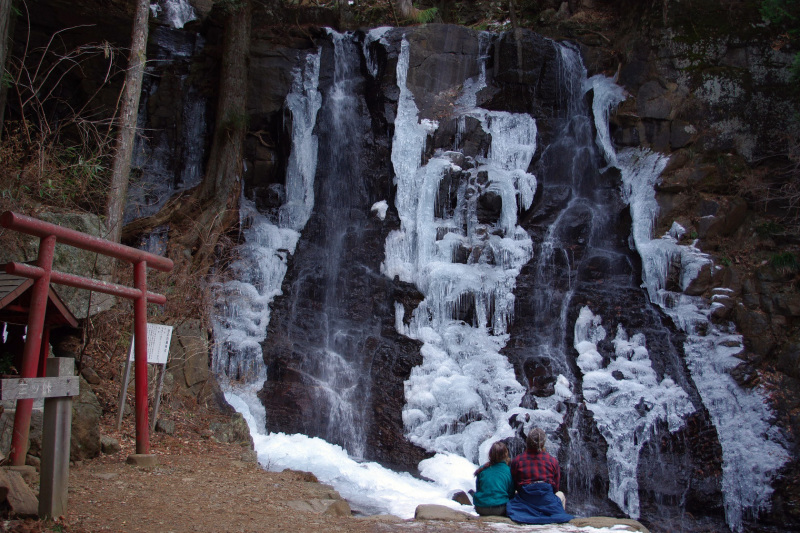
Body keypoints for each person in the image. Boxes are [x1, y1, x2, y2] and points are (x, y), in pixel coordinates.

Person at [505, 427, 574, 524]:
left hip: (525, 501)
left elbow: (514, 485)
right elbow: (556, 488)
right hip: (546, 501)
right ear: (543, 443)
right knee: (561, 494)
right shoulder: (552, 461)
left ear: (528, 441)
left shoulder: (518, 460)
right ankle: (558, 520)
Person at [472, 441, 516, 516]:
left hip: (480, 508)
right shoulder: (509, 471)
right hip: (499, 509)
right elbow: (511, 493)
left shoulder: (482, 469)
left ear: (490, 455)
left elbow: (479, 488)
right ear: (506, 454)